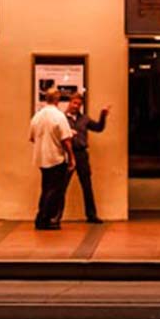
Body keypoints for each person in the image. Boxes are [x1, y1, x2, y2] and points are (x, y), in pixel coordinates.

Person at [30, 87, 75, 230]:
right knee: (55, 190)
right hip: (56, 157)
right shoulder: (59, 116)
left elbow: (32, 138)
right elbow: (66, 139)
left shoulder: (37, 116)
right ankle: (45, 219)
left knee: (46, 188)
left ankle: (40, 217)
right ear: (57, 100)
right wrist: (72, 157)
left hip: (41, 158)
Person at [65, 92, 110, 224]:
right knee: (62, 186)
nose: (76, 106)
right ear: (69, 102)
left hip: (81, 154)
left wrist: (103, 116)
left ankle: (91, 215)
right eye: (74, 103)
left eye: (79, 104)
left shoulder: (84, 119)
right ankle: (56, 215)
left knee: (87, 185)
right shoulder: (62, 118)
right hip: (68, 153)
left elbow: (98, 128)